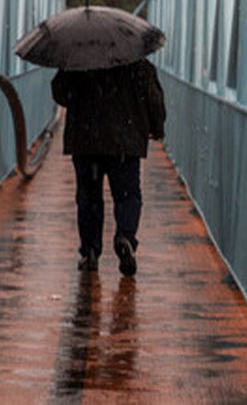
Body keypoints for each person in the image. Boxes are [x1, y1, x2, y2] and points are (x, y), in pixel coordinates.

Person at [51, 58, 166, 275]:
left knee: (89, 198)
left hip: (86, 140)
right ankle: (126, 236)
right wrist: (157, 128)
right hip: (125, 142)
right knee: (127, 194)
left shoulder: (79, 59)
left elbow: (59, 93)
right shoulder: (138, 63)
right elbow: (154, 100)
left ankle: (91, 251)